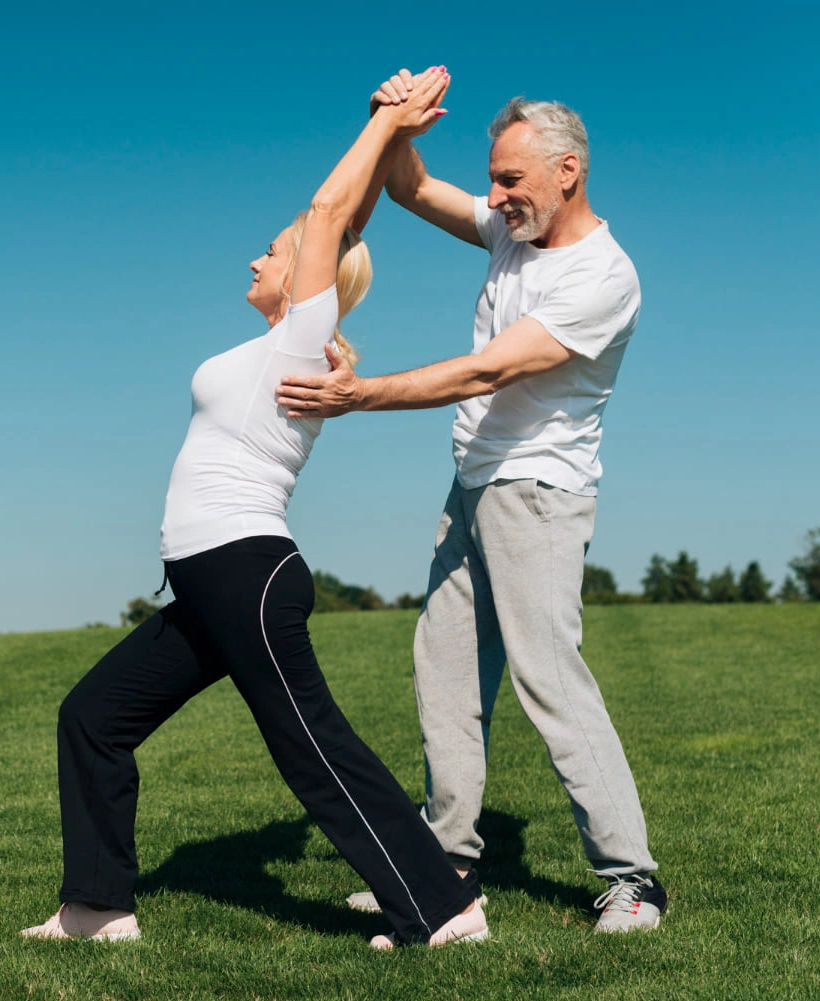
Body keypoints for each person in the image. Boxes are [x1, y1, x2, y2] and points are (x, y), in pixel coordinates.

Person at [21, 67, 487, 950]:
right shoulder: (276, 344)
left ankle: (444, 907)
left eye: (270, 252)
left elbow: (330, 216)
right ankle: (96, 907)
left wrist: (384, 122)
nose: (256, 260)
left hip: (246, 572)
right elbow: (340, 223)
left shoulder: (301, 341)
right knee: (93, 717)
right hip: (207, 585)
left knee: (312, 748)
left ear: (305, 273)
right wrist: (386, 132)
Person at [276, 72, 666, 933]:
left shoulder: (603, 277)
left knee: (548, 679)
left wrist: (361, 394)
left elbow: (489, 370)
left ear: (568, 172)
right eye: (492, 179)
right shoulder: (511, 233)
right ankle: (446, 866)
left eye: (510, 180)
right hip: (472, 485)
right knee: (445, 674)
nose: (494, 197)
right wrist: (391, 122)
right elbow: (411, 187)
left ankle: (631, 879)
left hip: (538, 493)